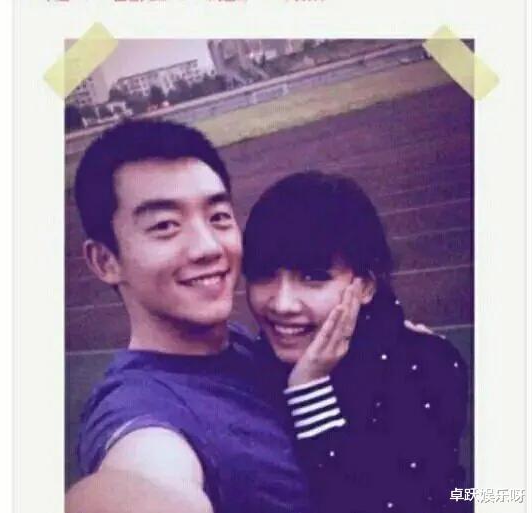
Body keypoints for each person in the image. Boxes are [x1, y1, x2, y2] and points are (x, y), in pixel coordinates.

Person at [66, 121, 314, 513]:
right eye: (165, 225)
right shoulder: (141, 411)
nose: (208, 247)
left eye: (218, 216)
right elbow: (141, 482)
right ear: (105, 261)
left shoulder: (239, 345)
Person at [243, 171, 471, 513]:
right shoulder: (247, 372)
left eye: (313, 277)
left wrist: (309, 391)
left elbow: (416, 501)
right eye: (264, 274)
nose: (282, 304)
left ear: (364, 286)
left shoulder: (425, 367)